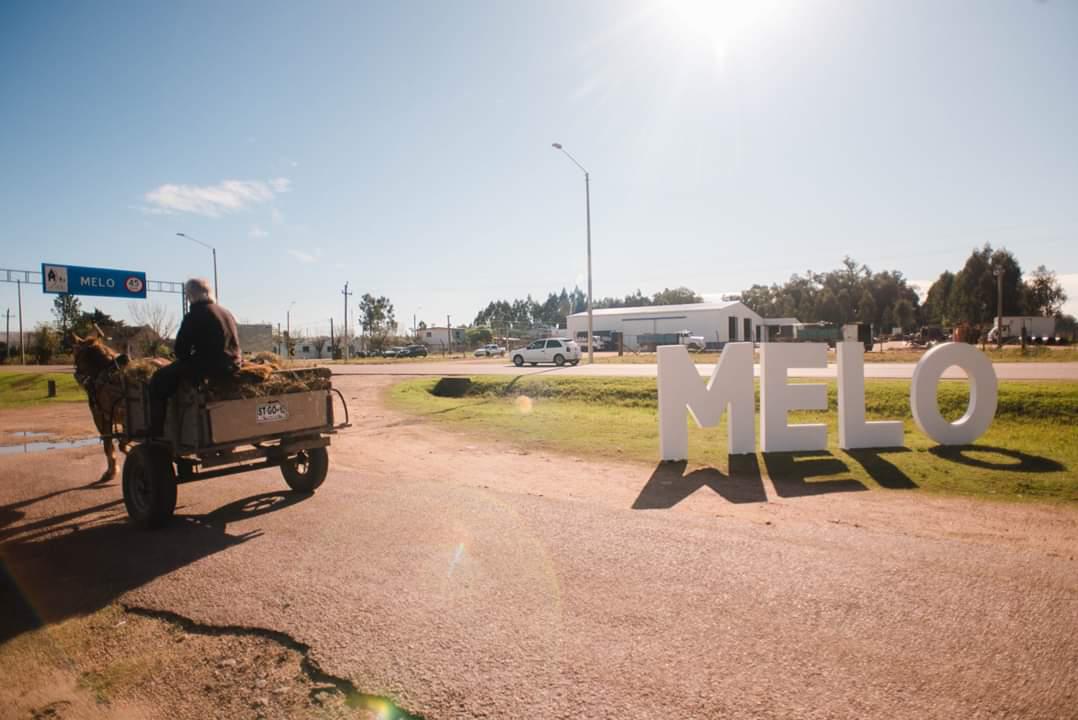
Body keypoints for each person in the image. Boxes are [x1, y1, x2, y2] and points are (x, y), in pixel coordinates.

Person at [149, 278, 242, 437]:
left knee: (157, 379)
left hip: (209, 367)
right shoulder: (226, 312)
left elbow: (181, 350)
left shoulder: (195, 314)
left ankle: (156, 432)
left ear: (190, 295)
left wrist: (188, 358)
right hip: (234, 363)